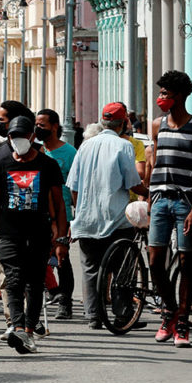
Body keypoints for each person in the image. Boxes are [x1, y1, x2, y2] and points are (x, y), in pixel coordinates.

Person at [0, 116, 69, 354]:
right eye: (13, 137)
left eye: (22, 136)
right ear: (8, 138)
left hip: (39, 234)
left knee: (33, 283)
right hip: (9, 234)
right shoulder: (1, 165)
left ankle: (29, 332)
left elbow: (59, 204)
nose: (17, 141)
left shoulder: (47, 165)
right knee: (13, 281)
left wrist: (61, 238)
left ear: (32, 137)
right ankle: (18, 327)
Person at [66, 102, 149, 329]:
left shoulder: (85, 146)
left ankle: (93, 316)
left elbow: (73, 186)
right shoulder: (124, 146)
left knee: (91, 268)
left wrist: (80, 210)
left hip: (87, 220)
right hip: (116, 220)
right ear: (123, 123)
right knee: (122, 268)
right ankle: (123, 314)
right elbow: (133, 182)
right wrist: (149, 193)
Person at [147, 71, 192, 347]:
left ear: (180, 96)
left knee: (186, 261)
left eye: (165, 94)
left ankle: (182, 321)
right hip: (160, 198)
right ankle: (169, 311)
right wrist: (149, 198)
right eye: (160, 93)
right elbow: (155, 163)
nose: (161, 98)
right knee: (154, 261)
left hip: (185, 202)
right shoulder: (156, 125)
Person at [35, 109, 77, 320]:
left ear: (54, 126)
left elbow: (77, 186)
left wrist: (76, 216)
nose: (38, 129)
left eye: (42, 125)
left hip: (62, 214)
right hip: (40, 213)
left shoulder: (69, 153)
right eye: (36, 124)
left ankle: (65, 302)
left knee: (62, 259)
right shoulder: (37, 151)